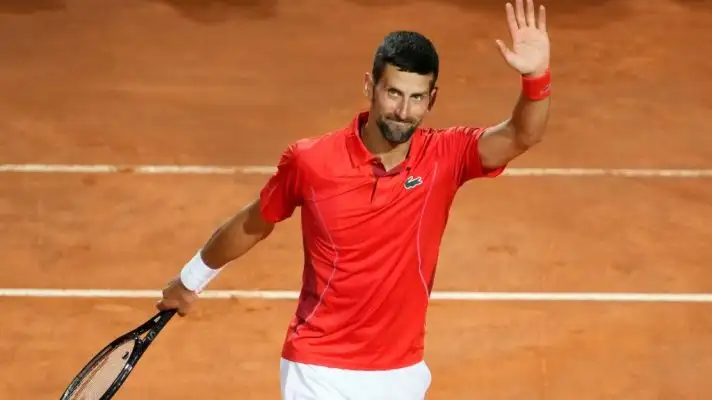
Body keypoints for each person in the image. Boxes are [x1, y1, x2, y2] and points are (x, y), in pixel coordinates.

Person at [157, 0, 551, 398]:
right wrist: (191, 279)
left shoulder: (445, 156)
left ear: (432, 99)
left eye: (417, 98)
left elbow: (522, 135)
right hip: (318, 367)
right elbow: (254, 222)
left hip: (402, 371)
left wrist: (536, 77)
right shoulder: (312, 161)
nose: (403, 110)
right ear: (370, 87)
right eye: (393, 93)